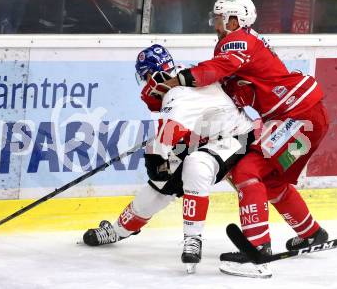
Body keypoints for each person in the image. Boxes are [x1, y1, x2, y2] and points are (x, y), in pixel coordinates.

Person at [160, 0, 329, 277]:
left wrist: (176, 81)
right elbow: (228, 86)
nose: (215, 24)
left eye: (218, 18)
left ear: (234, 20)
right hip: (309, 120)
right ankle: (311, 233)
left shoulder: (235, 41)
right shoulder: (247, 45)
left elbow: (213, 70)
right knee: (270, 180)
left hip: (296, 117)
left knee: (247, 170)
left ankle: (257, 251)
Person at [83, 44, 255, 274]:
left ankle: (193, 239)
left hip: (236, 136)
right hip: (205, 138)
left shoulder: (175, 94)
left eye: (144, 77)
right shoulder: (182, 75)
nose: (146, 86)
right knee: (161, 185)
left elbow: (170, 130)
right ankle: (117, 230)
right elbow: (178, 129)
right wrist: (160, 157)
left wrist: (154, 154)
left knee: (196, 166)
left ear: (150, 74)